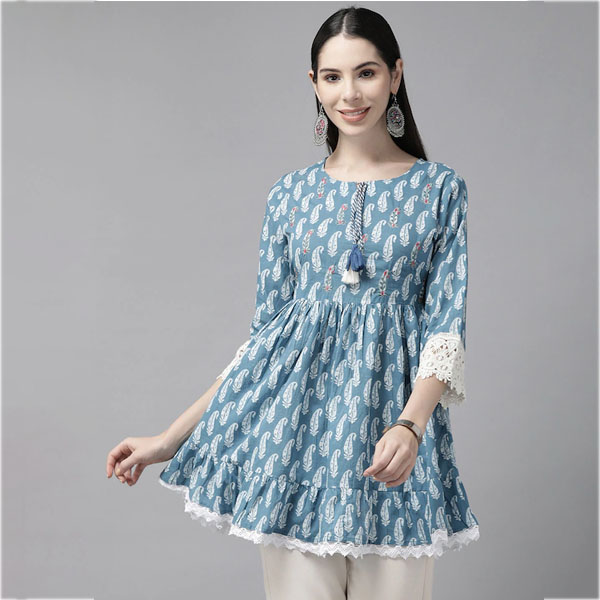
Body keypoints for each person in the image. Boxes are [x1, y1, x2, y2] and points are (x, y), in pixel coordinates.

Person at [105, 6, 480, 598]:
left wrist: (411, 425)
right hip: (295, 456)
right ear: (314, 84)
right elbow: (263, 348)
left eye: (366, 73)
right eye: (332, 77)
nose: (350, 93)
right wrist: (170, 438)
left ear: (395, 75)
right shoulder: (290, 195)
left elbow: (444, 330)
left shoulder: (440, 190)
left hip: (395, 455)